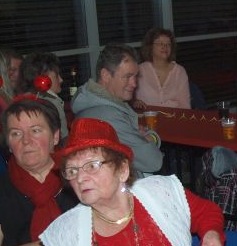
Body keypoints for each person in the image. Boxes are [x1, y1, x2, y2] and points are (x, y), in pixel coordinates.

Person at [40, 118, 233, 246]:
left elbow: (206, 212)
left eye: (92, 166)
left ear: (122, 169)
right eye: (72, 170)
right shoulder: (67, 233)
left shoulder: (159, 193)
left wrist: (212, 234)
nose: (80, 178)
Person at [0, 97, 77, 246]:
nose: (26, 140)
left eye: (35, 130)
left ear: (55, 136)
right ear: (9, 144)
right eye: (16, 134)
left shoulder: (77, 180)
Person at [72, 43, 164, 175]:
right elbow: (153, 161)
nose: (134, 83)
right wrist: (151, 137)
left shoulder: (103, 103)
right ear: (105, 75)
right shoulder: (108, 116)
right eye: (128, 76)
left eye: (135, 76)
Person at [135, 27, 191, 110]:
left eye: (168, 44)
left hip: (174, 116)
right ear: (150, 47)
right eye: (160, 43)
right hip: (147, 117)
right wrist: (134, 102)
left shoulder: (179, 71)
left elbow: (185, 106)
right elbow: (128, 98)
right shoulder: (139, 70)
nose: (165, 46)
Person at [21, 51, 69, 137]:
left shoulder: (23, 99)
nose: (61, 80)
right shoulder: (53, 103)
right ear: (43, 79)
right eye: (56, 76)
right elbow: (63, 138)